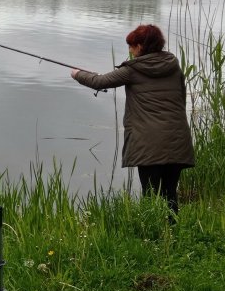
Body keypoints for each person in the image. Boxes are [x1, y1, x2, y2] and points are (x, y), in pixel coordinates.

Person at [71, 24, 194, 216]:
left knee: (150, 194)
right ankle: (173, 234)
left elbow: (99, 81)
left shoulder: (133, 70)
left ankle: (154, 238)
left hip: (149, 143)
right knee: (170, 192)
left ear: (141, 46)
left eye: (132, 45)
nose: (130, 50)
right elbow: (181, 99)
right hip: (177, 140)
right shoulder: (174, 66)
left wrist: (77, 74)